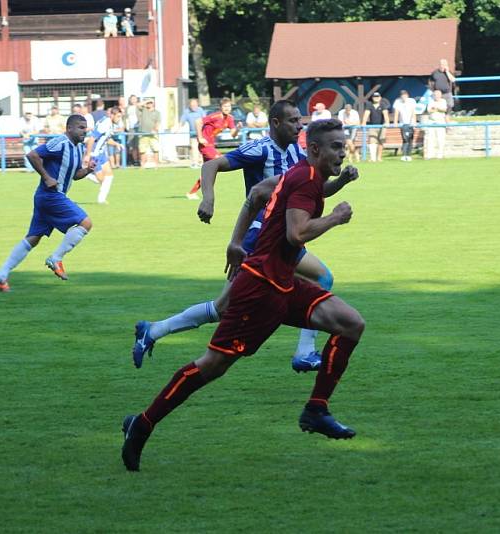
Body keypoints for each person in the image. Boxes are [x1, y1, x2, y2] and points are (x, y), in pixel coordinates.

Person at [121, 118, 364, 471]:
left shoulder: (302, 174)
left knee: (350, 323)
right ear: (313, 149)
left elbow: (256, 196)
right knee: (212, 366)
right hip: (260, 289)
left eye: (344, 145)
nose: (343, 152)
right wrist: (336, 218)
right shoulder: (305, 178)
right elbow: (297, 235)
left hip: (281, 283)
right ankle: (142, 424)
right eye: (336, 147)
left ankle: (316, 409)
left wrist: (235, 242)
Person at [132, 101, 353, 373]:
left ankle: (304, 353)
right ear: (275, 123)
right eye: (293, 121)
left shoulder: (298, 152)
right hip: (259, 239)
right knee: (225, 308)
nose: (299, 126)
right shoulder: (259, 149)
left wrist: (341, 182)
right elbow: (211, 165)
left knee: (321, 278)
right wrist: (208, 199)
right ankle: (153, 331)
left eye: (300, 120)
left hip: (283, 236)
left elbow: (312, 193)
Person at [0, 115, 96, 292]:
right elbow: (32, 155)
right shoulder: (60, 142)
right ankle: (56, 258)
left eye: (85, 128)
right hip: (51, 196)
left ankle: (1, 275)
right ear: (69, 128)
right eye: (80, 127)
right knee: (86, 223)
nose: (84, 131)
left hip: (47, 197)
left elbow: (75, 175)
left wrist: (87, 170)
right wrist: (46, 177)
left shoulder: (78, 148)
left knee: (33, 238)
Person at [186, 98, 238, 199]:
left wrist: (238, 129)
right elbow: (198, 122)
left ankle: (192, 193)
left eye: (229, 106)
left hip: (211, 145)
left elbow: (233, 134)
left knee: (209, 171)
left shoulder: (230, 118)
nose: (227, 108)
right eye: (225, 106)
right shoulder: (215, 116)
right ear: (221, 107)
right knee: (219, 161)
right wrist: (200, 137)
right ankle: (205, 192)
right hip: (205, 145)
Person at [84, 107, 123, 204]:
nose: (119, 119)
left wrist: (116, 144)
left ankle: (101, 200)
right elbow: (92, 139)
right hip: (94, 154)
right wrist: (88, 155)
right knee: (101, 180)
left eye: (120, 117)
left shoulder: (111, 124)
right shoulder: (105, 124)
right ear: (112, 115)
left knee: (109, 176)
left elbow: (106, 139)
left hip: (101, 154)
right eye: (118, 116)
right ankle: (86, 174)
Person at [177, 98, 206, 168]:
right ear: (189, 105)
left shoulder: (201, 110)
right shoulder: (186, 112)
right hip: (193, 134)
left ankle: (202, 162)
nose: (194, 106)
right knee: (194, 148)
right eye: (192, 105)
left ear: (197, 104)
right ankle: (195, 163)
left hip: (202, 134)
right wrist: (177, 129)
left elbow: (206, 120)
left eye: (195, 104)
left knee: (202, 148)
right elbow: (182, 122)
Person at [362, 92, 389, 162]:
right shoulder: (369, 104)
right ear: (372, 98)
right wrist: (363, 123)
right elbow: (366, 115)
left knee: (381, 142)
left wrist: (387, 123)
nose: (376, 98)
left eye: (377, 97)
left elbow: (386, 115)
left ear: (380, 97)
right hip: (372, 126)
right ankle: (372, 158)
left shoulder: (383, 105)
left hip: (382, 126)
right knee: (372, 141)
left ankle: (379, 158)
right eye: (375, 97)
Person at [393, 90, 417, 162]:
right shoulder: (397, 102)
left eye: (405, 95)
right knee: (405, 139)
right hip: (403, 124)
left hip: (411, 124)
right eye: (402, 95)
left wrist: (414, 123)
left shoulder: (412, 101)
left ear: (407, 95)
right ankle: (404, 155)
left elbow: (413, 112)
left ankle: (409, 155)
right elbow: (396, 113)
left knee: (410, 139)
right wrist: (395, 122)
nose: (403, 97)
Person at [137, 98, 161, 169]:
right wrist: (146, 101)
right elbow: (138, 105)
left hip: (153, 134)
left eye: (150, 103)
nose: (149, 104)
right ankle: (142, 166)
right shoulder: (143, 109)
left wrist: (155, 129)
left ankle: (156, 165)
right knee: (142, 150)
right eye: (148, 103)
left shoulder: (157, 112)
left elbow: (158, 122)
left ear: (153, 103)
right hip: (143, 133)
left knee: (156, 149)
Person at [425, 90, 448, 159]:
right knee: (430, 139)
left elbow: (444, 110)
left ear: (440, 95)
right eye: (435, 95)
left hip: (440, 121)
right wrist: (437, 109)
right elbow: (429, 110)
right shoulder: (431, 101)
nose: (437, 96)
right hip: (431, 121)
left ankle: (440, 155)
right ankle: (429, 155)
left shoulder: (443, 101)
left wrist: (436, 108)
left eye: (438, 95)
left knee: (440, 139)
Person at [125, 95, 141, 166]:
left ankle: (140, 160)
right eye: (132, 99)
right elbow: (125, 117)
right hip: (130, 128)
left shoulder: (139, 106)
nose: (133, 100)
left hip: (138, 128)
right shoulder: (127, 108)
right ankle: (135, 161)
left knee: (139, 145)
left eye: (135, 99)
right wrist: (126, 126)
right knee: (132, 146)